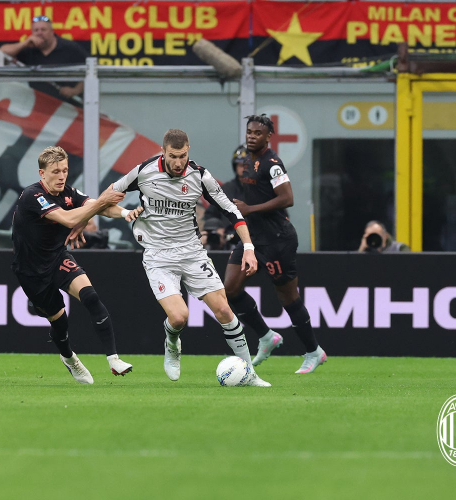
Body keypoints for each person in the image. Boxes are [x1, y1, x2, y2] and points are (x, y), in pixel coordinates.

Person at [109, 129, 270, 386]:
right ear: (163, 152)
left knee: (224, 310)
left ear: (188, 151)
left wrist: (248, 247)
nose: (178, 162)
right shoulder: (144, 171)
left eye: (182, 156)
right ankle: (172, 344)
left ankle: (249, 374)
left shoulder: (200, 176)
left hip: (192, 252)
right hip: (158, 255)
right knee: (179, 317)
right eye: (172, 156)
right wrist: (118, 213)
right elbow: (107, 199)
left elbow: (231, 211)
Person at [11, 146, 137, 384]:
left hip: (58, 257)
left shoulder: (68, 192)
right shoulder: (33, 196)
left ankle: (114, 359)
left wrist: (126, 213)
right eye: (56, 171)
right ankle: (69, 358)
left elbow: (99, 206)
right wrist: (98, 204)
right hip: (32, 271)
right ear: (42, 173)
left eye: (65, 170)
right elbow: (69, 219)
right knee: (60, 322)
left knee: (90, 296)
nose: (62, 176)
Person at [223, 114, 327, 374]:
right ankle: (267, 336)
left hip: (277, 240)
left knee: (288, 297)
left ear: (268, 136)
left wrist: (249, 209)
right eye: (249, 132)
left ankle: (314, 351)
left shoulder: (273, 164)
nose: (252, 136)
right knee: (230, 289)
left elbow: (287, 198)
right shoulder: (247, 160)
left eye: (258, 133)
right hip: (252, 238)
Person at [0, 16, 89, 102]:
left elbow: (91, 69)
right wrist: (24, 43)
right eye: (36, 30)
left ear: (52, 32)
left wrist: (75, 90)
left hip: (67, 105)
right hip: (38, 106)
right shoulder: (28, 48)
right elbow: (2, 52)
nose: (39, 33)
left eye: (43, 30)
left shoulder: (69, 48)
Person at [202, 144, 249, 251]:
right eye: (240, 165)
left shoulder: (262, 191)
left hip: (256, 242)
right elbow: (210, 214)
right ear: (235, 166)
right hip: (227, 243)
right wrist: (217, 229)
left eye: (246, 165)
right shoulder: (226, 190)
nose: (243, 169)